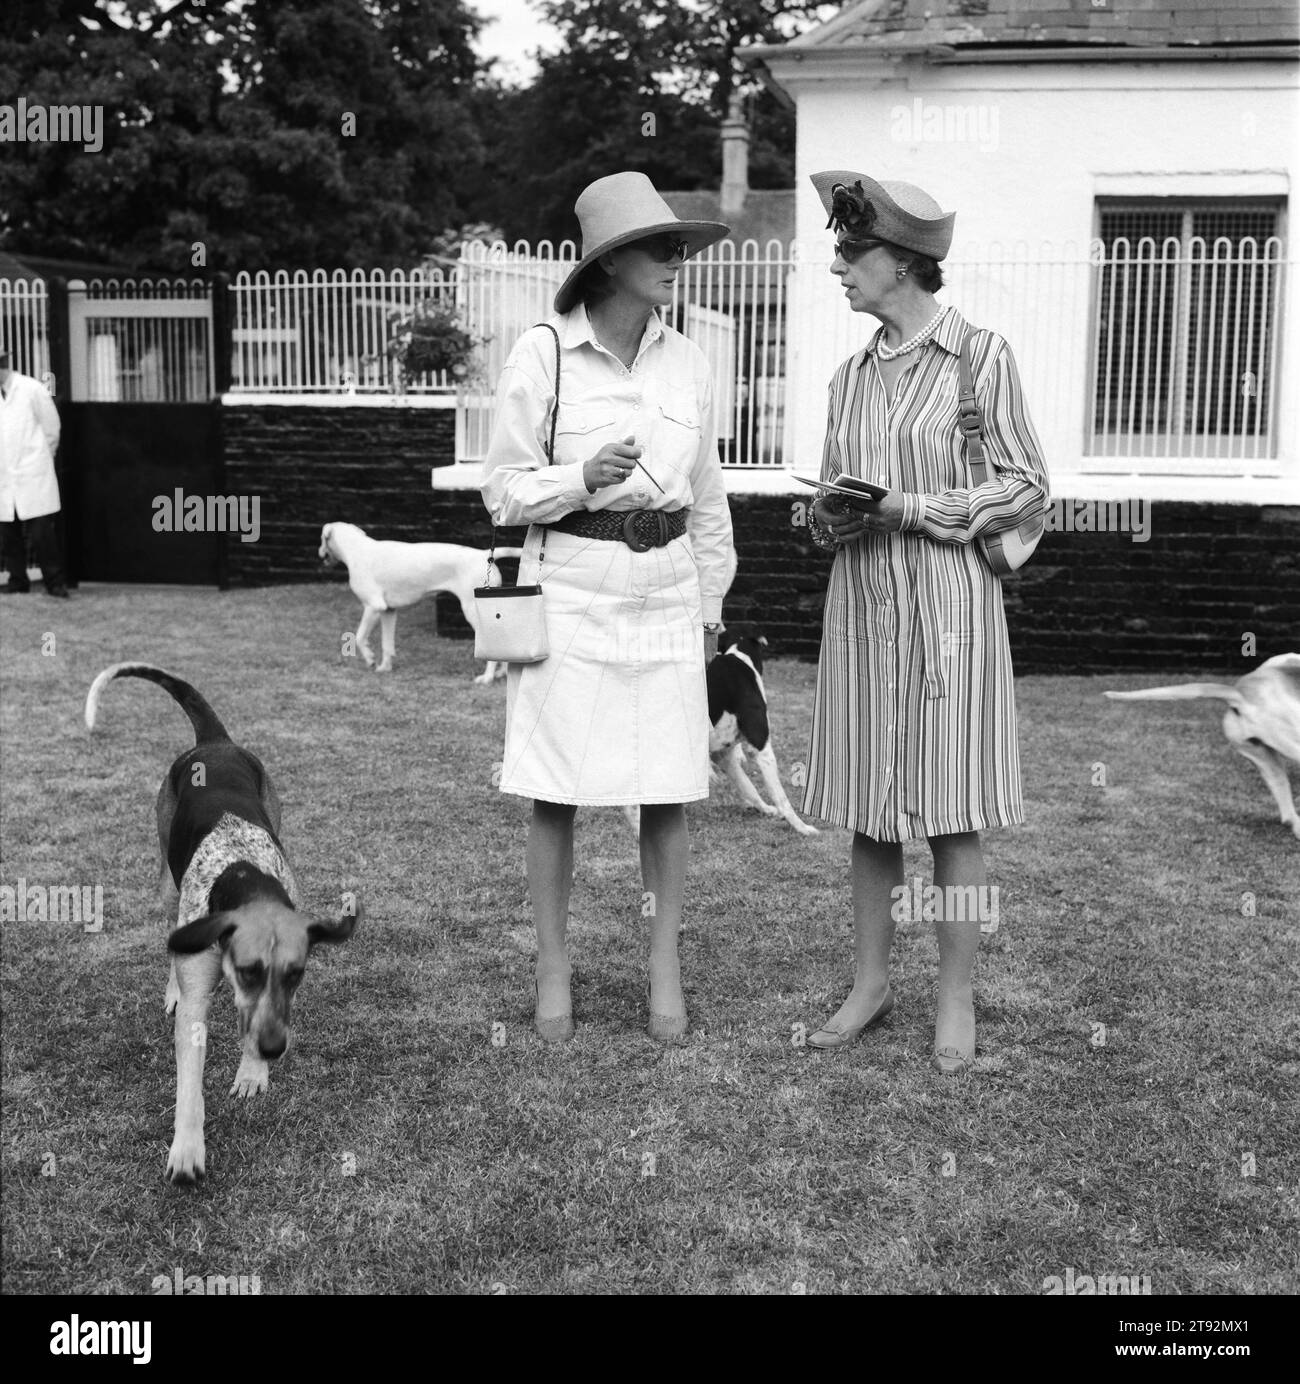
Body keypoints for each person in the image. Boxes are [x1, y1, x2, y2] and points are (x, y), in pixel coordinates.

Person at [800, 171, 1048, 1074]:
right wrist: (827, 514)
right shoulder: (848, 378)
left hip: (951, 619)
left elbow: (1027, 484)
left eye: (852, 252)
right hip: (863, 610)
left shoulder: (982, 359)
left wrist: (912, 509)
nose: (838, 267)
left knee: (953, 817)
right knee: (870, 812)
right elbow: (835, 499)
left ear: (903, 262)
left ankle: (954, 995)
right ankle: (870, 986)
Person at [481, 172, 736, 1044]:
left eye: (677, 245)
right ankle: (554, 965)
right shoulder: (543, 353)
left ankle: (662, 962)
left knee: (668, 787)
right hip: (574, 585)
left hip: (666, 589)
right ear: (608, 262)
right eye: (659, 247)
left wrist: (711, 599)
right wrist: (577, 479)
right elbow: (503, 493)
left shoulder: (690, 359)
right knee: (556, 789)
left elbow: (707, 495)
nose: (676, 260)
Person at [0, 348, 69, 597]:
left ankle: (54, 581)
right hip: (5, 476)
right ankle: (18, 581)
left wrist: (40, 458)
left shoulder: (31, 389)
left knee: (41, 533)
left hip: (32, 473)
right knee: (8, 534)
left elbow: (52, 427)